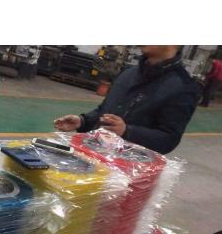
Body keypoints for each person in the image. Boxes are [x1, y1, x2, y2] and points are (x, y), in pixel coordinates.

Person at [54, 46, 199, 154]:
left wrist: (127, 131)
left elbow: (169, 139)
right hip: (92, 154)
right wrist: (83, 121)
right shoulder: (129, 73)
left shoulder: (183, 87)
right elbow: (105, 110)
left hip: (126, 172)